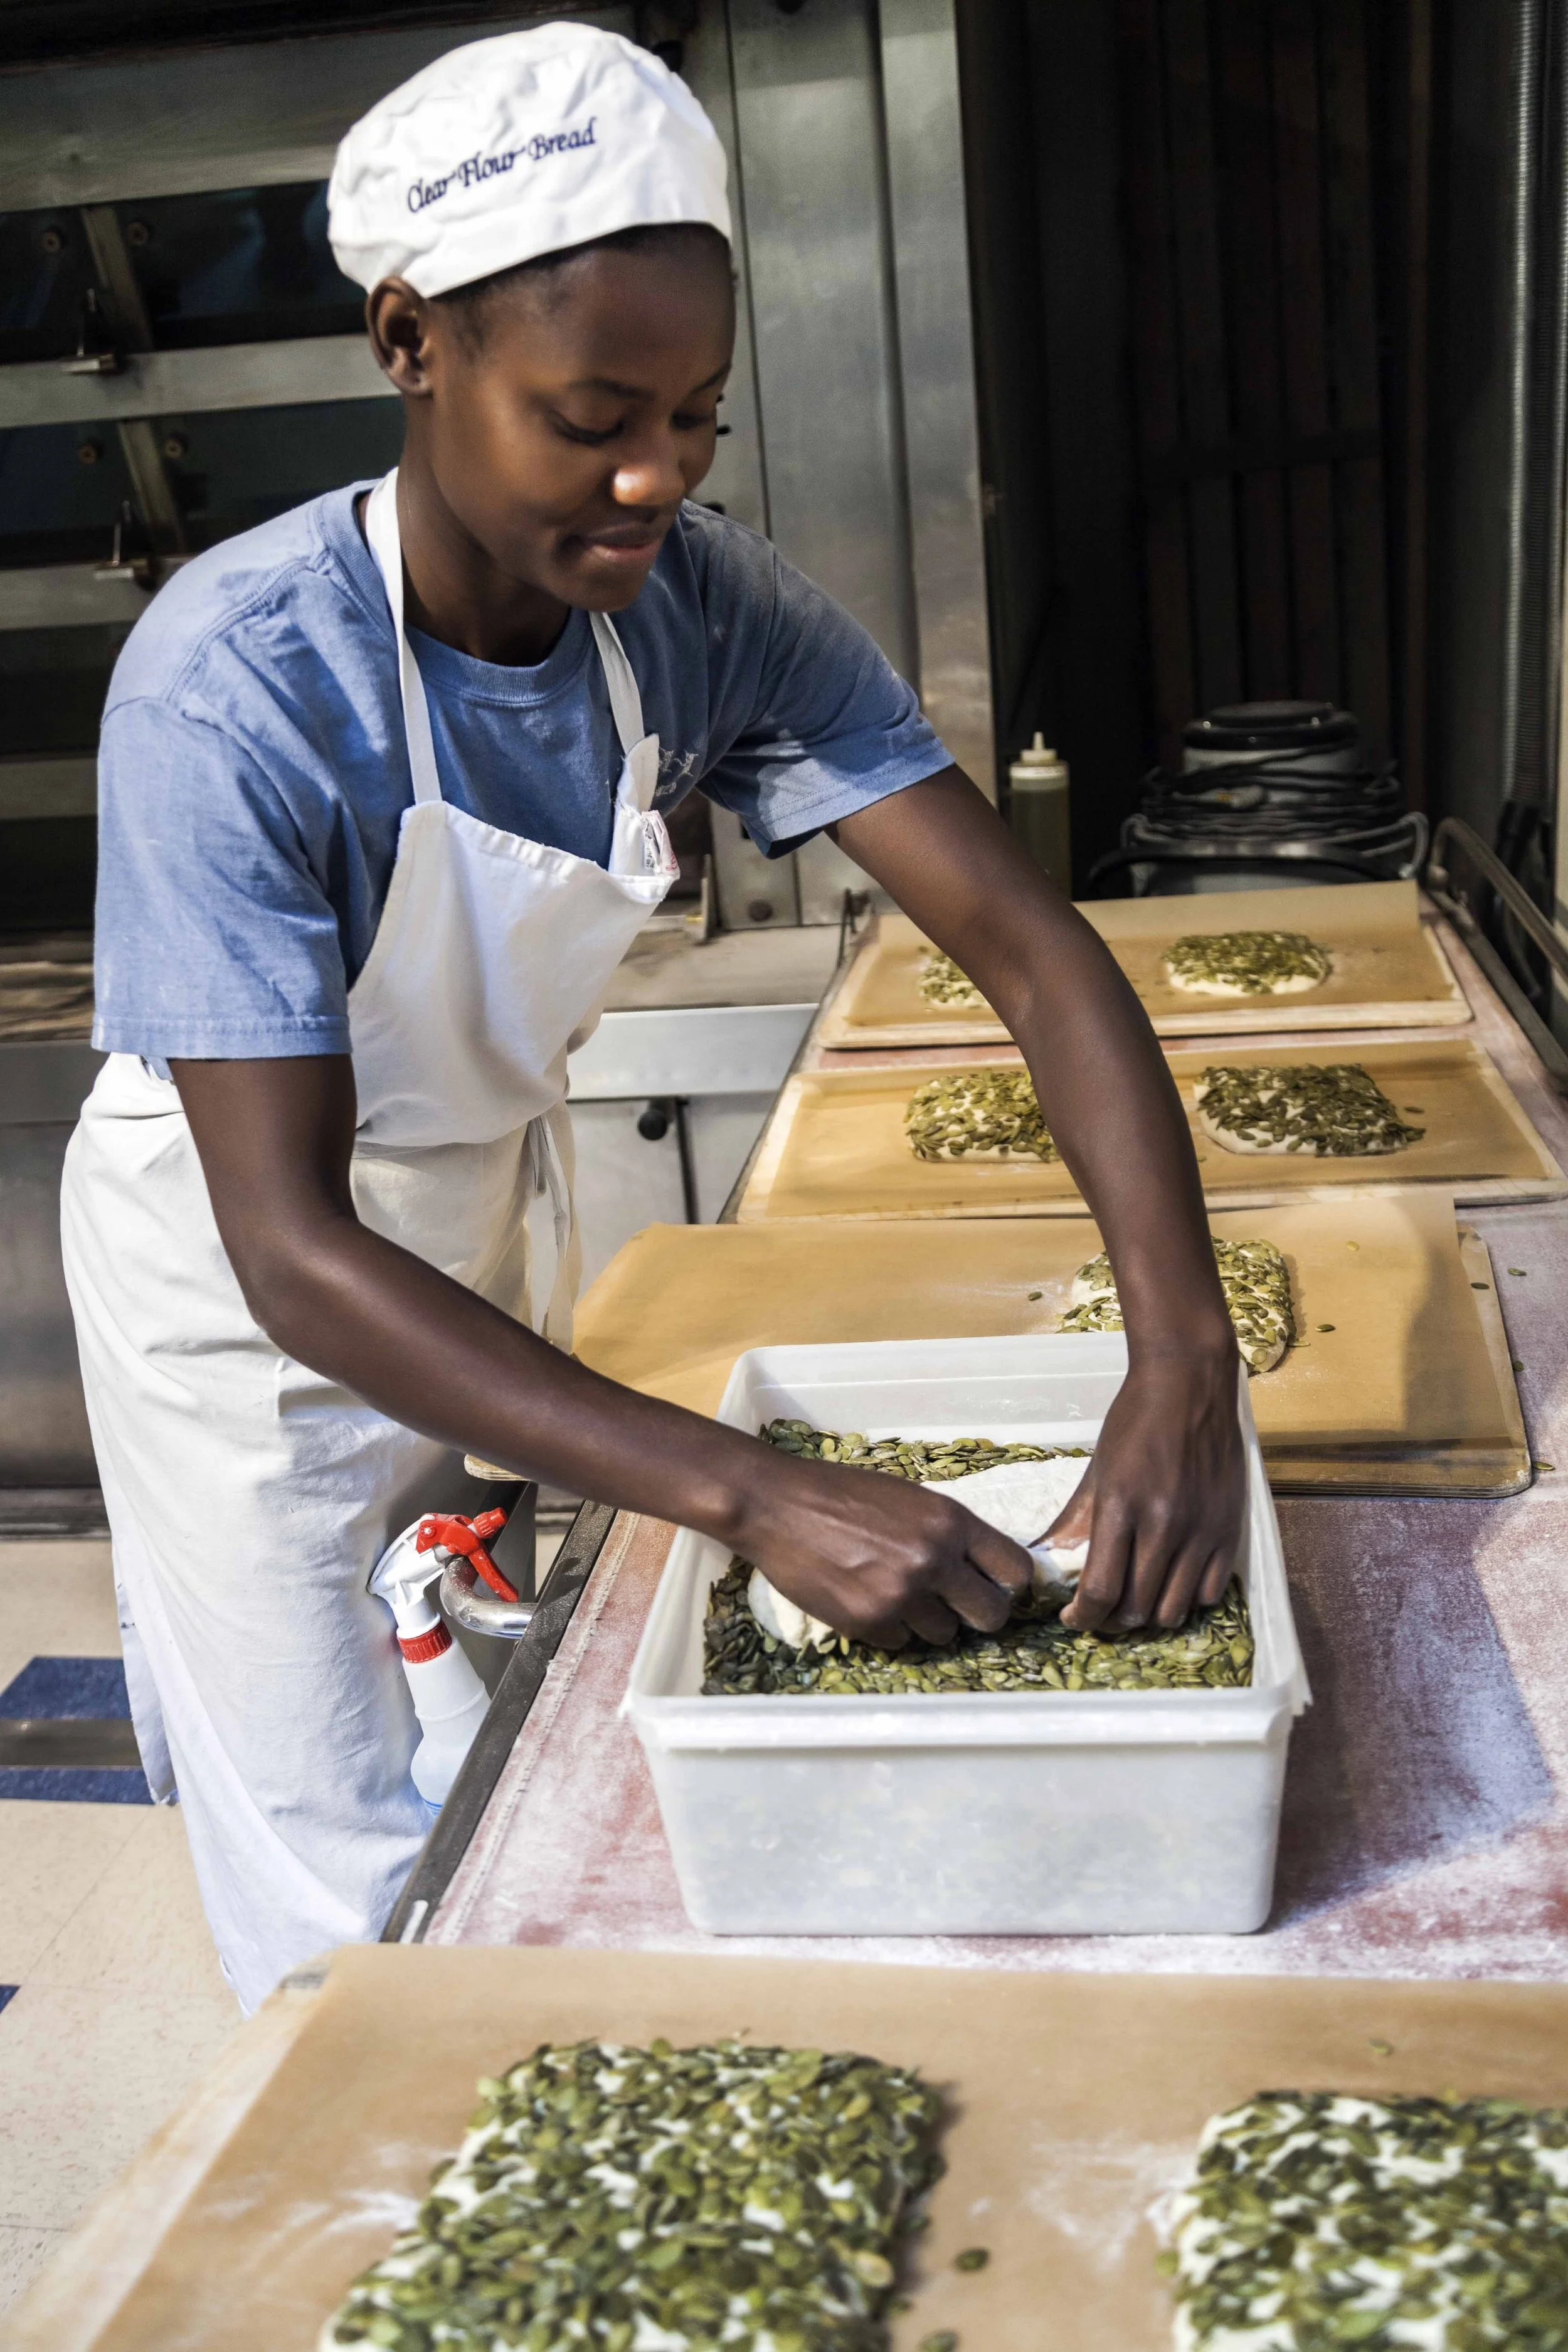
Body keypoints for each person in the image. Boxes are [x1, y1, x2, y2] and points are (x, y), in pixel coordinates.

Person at [62, 23, 1243, 2012]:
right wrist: (753, 1484)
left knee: (493, 1723)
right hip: (241, 1295)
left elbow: (1030, 949)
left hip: (467, 1221)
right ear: (408, 344)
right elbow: (288, 1243)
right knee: (339, 1848)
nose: (653, 479)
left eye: (695, 416)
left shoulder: (700, 600)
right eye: (591, 414)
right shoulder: (236, 685)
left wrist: (1182, 1356)